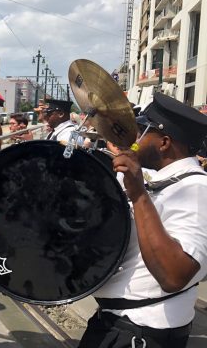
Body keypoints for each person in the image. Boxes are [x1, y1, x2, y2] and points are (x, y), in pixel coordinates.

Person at [79, 93, 207, 348]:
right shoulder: (162, 181)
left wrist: (138, 195)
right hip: (117, 325)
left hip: (142, 335)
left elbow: (174, 275)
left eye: (141, 132)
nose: (133, 139)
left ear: (164, 143)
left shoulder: (197, 190)